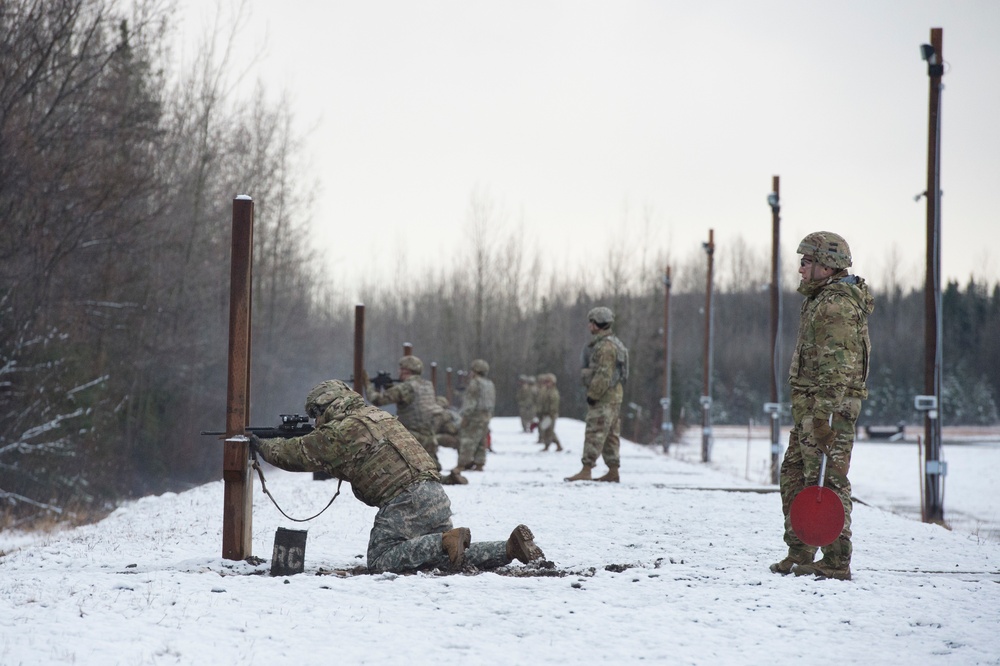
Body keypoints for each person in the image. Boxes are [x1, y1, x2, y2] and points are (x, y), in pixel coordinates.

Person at [250, 380, 545, 574]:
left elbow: (296, 454)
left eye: (316, 414)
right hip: (434, 493)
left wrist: (261, 445)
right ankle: (508, 548)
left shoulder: (343, 431)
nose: (315, 422)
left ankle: (444, 540)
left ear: (326, 407)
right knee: (445, 560)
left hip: (404, 500)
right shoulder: (378, 416)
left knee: (381, 561)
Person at [770, 232, 873, 581]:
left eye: (806, 261)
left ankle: (836, 559)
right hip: (810, 409)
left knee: (827, 481)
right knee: (796, 475)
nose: (800, 268)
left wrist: (824, 417)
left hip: (827, 411)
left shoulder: (835, 306)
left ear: (826, 265)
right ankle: (800, 550)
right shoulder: (820, 299)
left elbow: (838, 367)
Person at [566, 307, 629, 483]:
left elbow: (603, 374)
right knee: (610, 435)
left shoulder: (606, 347)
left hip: (604, 398)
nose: (589, 325)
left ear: (597, 324)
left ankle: (587, 469)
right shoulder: (615, 343)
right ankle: (613, 470)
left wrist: (593, 394)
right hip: (614, 397)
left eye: (591, 322)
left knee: (595, 431)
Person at [366, 355, 443, 470]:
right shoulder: (427, 384)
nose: (398, 371)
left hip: (411, 436)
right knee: (430, 467)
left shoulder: (407, 386)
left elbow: (377, 399)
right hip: (429, 436)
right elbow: (408, 400)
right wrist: (389, 386)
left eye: (400, 369)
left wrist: (368, 385)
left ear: (405, 370)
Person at [454, 358, 495, 473]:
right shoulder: (489, 384)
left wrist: (465, 417)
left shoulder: (475, 383)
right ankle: (479, 463)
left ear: (475, 371)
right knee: (481, 441)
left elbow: (470, 403)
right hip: (486, 416)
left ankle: (461, 465)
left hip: (474, 416)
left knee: (468, 440)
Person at [535, 373, 562, 451]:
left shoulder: (553, 392)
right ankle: (551, 445)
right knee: (546, 430)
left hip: (551, 414)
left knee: (549, 431)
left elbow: (554, 405)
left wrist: (550, 413)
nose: (546, 383)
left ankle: (554, 445)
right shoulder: (545, 391)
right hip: (545, 414)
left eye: (548, 382)